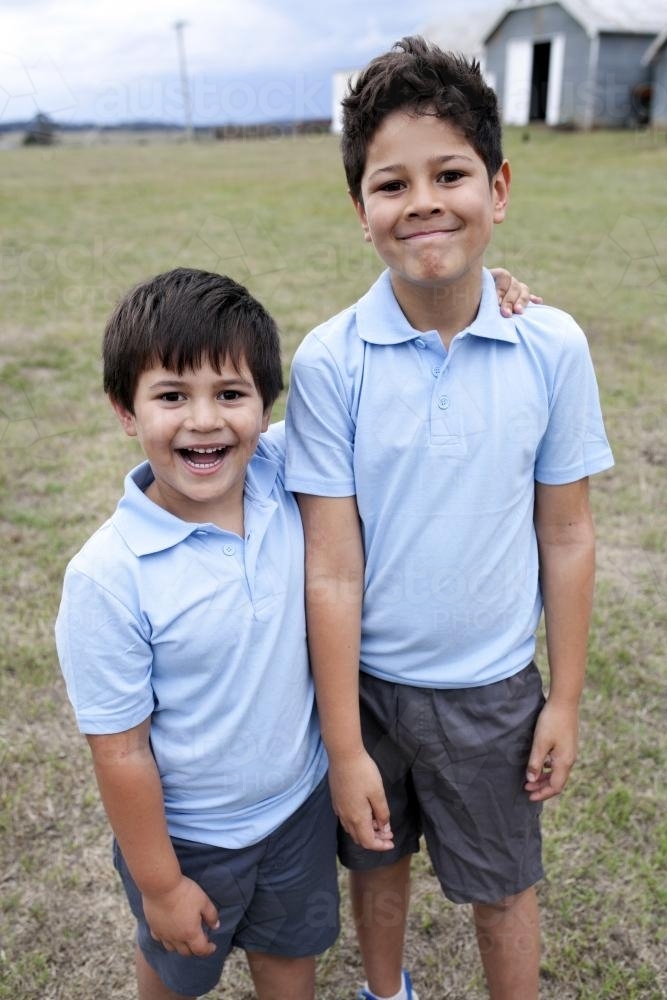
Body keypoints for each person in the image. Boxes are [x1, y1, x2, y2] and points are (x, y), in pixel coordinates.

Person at [284, 36, 614, 1000]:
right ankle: (383, 993)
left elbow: (567, 533)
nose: (423, 200)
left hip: (494, 693)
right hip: (371, 687)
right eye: (391, 183)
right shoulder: (328, 362)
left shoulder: (549, 345)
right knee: (376, 869)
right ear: (360, 212)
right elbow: (332, 568)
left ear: (498, 189)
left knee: (504, 891)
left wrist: (562, 698)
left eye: (450, 173)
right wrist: (343, 744)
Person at [54, 268, 339, 1000]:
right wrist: (159, 884)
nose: (205, 421)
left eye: (231, 394)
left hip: (296, 809)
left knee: (290, 963)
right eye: (172, 395)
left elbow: (369, 389)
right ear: (125, 409)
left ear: (265, 407)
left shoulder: (280, 472)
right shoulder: (107, 577)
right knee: (175, 974)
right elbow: (120, 749)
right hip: (186, 841)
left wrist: (480, 288)